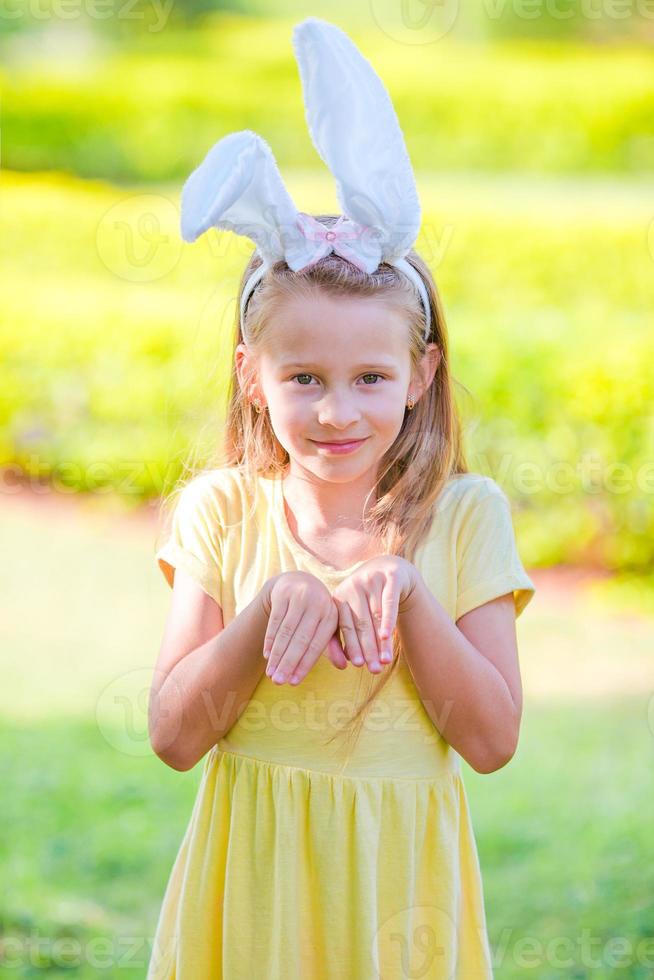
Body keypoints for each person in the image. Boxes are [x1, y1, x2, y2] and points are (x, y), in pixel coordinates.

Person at [146, 17, 536, 980]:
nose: (336, 410)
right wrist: (267, 613)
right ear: (251, 375)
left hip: (401, 902)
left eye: (370, 377)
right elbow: (172, 736)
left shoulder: (466, 514)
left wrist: (406, 592)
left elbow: (489, 742)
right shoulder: (223, 513)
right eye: (303, 377)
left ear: (419, 373)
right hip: (251, 903)